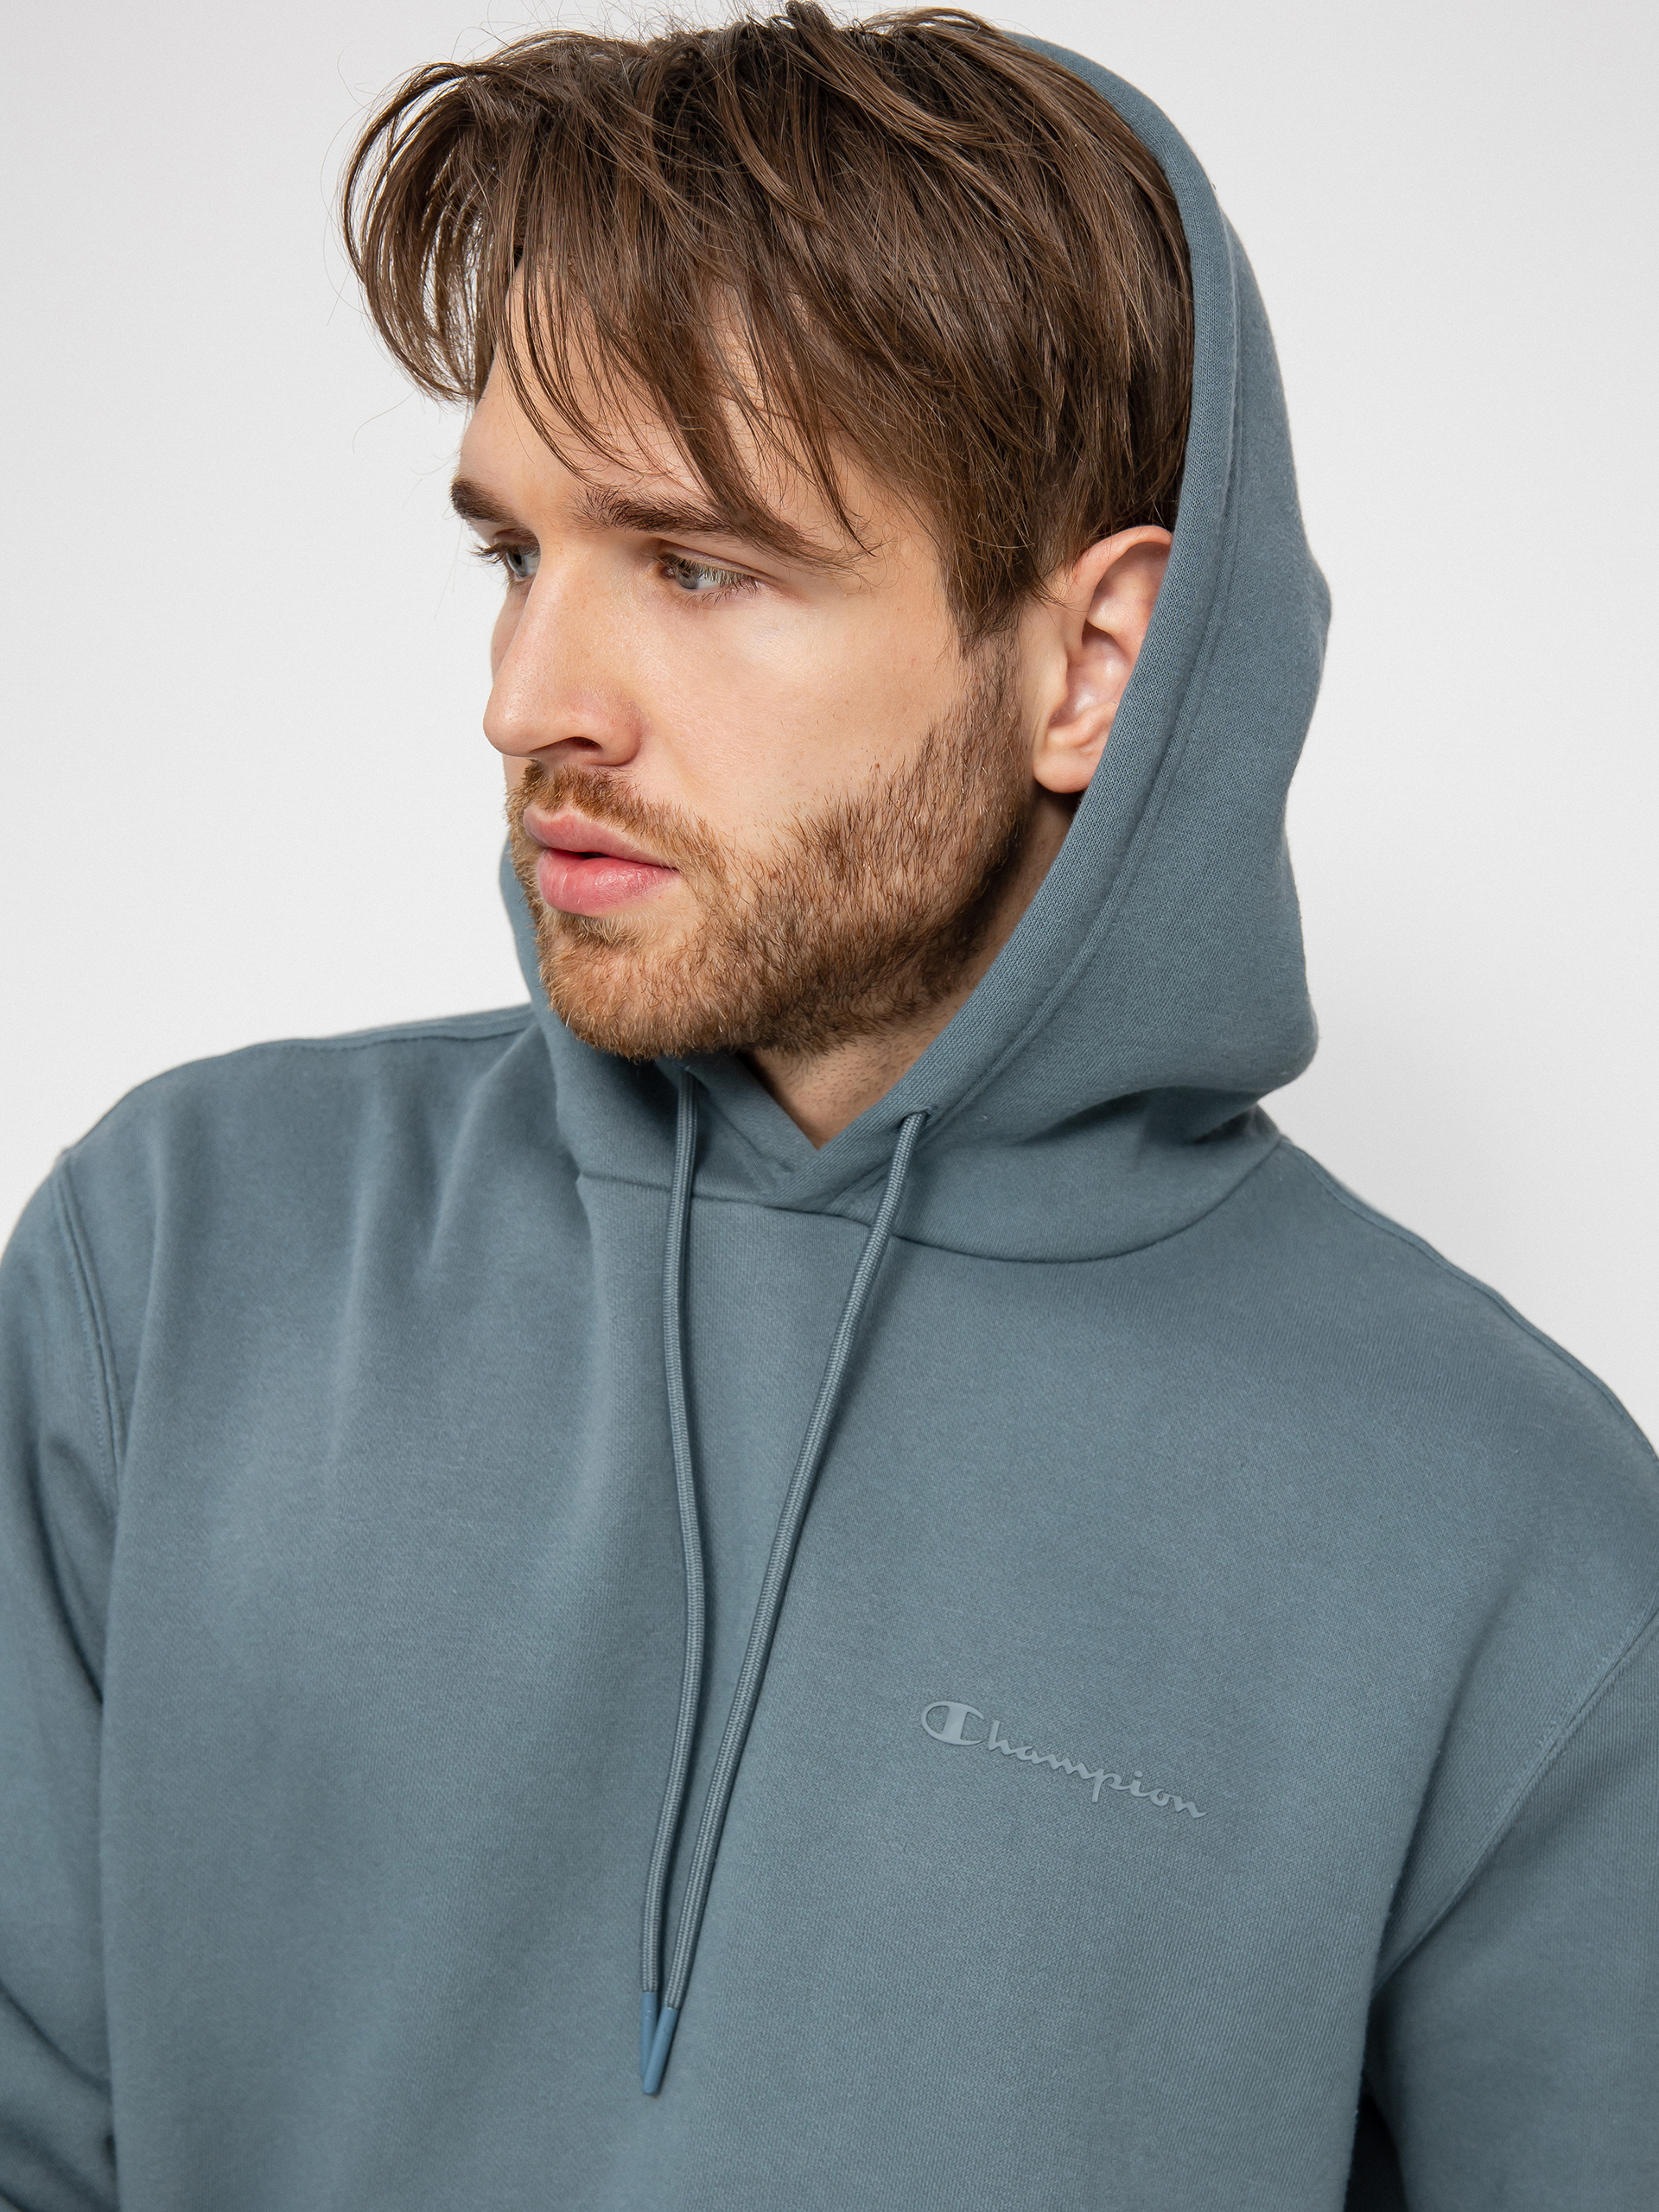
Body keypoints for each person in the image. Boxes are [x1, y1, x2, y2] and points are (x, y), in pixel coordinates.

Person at [1, 5, 1653, 2206]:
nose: (529, 700)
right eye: (515, 554)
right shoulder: (181, 1265)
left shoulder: (1509, 1529)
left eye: (697, 564)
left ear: (1093, 663)